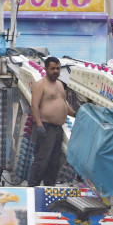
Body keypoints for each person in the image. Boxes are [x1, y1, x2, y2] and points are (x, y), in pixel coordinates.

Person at [27, 56, 75, 187]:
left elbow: (63, 103)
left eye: (58, 68)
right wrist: (39, 125)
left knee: (54, 163)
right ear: (46, 69)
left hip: (57, 130)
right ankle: (32, 189)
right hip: (45, 128)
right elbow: (34, 106)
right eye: (53, 68)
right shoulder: (40, 84)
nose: (56, 71)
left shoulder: (59, 84)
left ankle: (49, 188)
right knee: (41, 161)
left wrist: (75, 114)